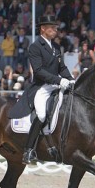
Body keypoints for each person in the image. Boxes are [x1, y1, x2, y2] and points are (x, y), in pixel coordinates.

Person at [19, 15, 75, 164]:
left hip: (56, 85)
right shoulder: (35, 47)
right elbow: (38, 71)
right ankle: (28, 150)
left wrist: (70, 79)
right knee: (42, 115)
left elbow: (62, 68)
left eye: (56, 27)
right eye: (52, 27)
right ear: (43, 29)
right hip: (41, 87)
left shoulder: (56, 47)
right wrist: (59, 80)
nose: (55, 30)